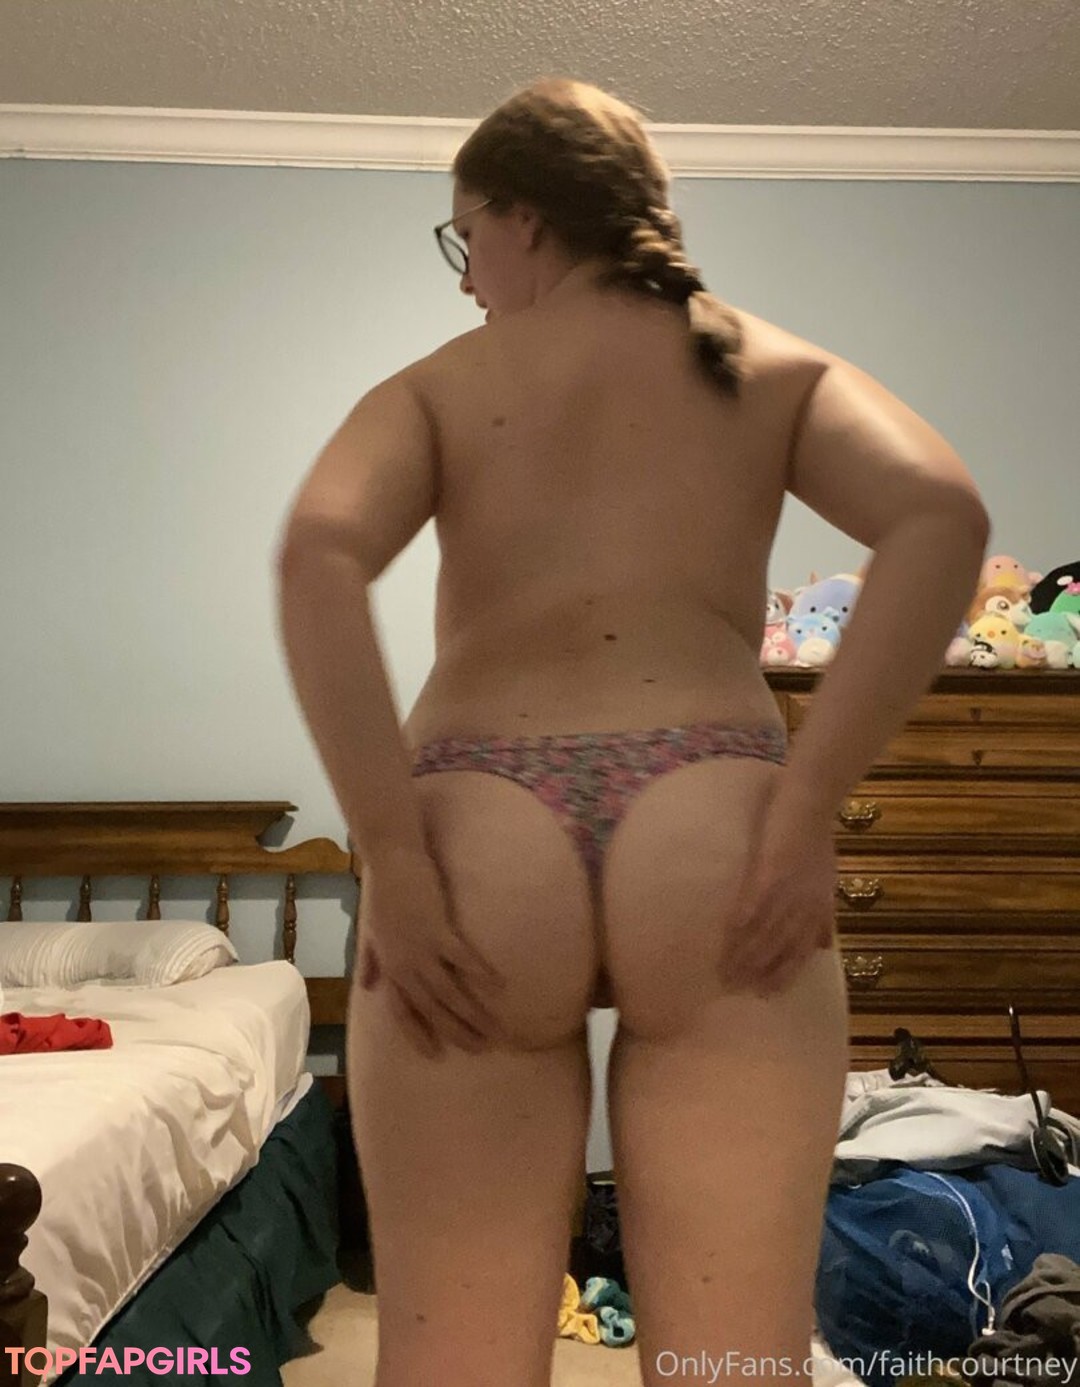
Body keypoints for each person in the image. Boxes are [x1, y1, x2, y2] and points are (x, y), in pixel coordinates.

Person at [275, 77, 990, 1387]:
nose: (465, 279)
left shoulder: (441, 386)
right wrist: (807, 807)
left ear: (524, 219)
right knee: (734, 1362)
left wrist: (396, 852)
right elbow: (941, 515)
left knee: (453, 1362)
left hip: (479, 829)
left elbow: (317, 552)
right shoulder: (766, 365)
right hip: (711, 820)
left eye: (463, 239)